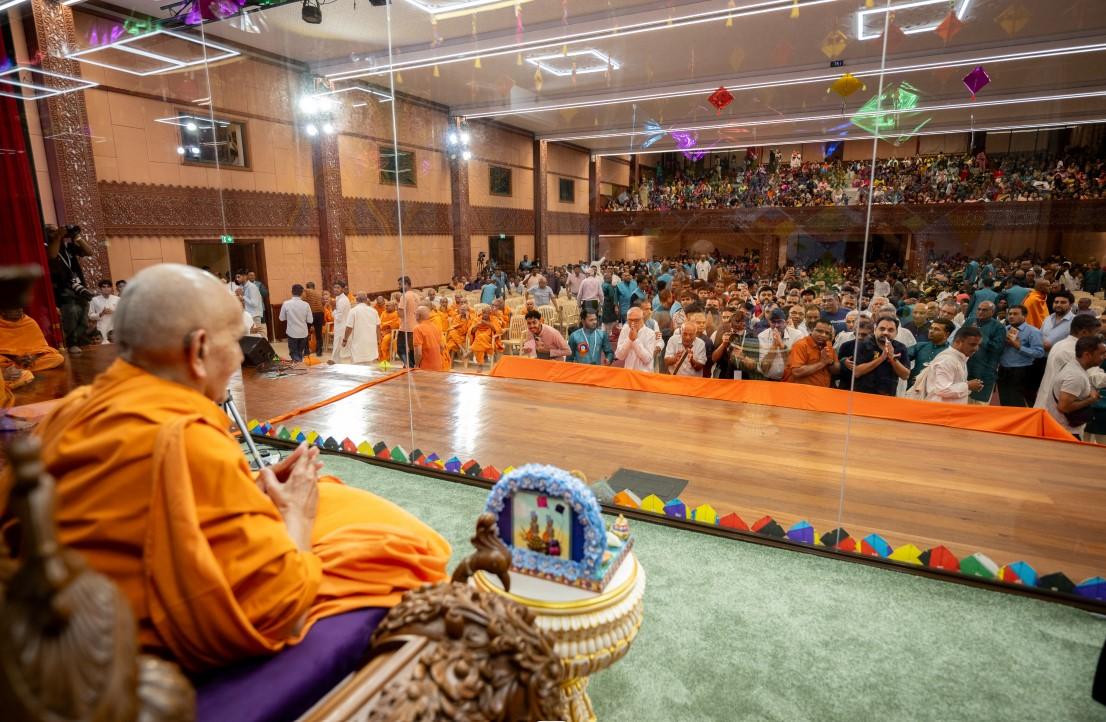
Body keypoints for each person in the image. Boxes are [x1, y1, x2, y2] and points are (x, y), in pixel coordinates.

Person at [21, 263, 449, 672]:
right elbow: (282, 608)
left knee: (334, 493)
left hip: (47, 622)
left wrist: (244, 486)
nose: (244, 356)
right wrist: (295, 513)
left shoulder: (70, 412)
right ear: (199, 351)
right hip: (113, 648)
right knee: (405, 547)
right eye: (237, 341)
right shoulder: (184, 433)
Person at [1034, 313, 1103, 408]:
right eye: (1096, 333)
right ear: (1084, 332)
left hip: (1047, 402)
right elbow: (1095, 378)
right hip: (1057, 409)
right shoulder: (1074, 350)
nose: (1097, 337)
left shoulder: (1060, 344)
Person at [1043, 335, 1105, 439]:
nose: (1104, 357)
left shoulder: (1075, 367)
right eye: (1101, 354)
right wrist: (1091, 399)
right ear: (1087, 355)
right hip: (1065, 433)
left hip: (1062, 429)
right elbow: (1063, 407)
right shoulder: (1075, 376)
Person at [46, 224, 94, 354]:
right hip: (62, 288)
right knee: (71, 313)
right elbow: (52, 255)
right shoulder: (46, 245)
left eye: (57, 230)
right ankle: (71, 343)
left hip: (78, 286)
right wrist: (58, 236)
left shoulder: (68, 246)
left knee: (83, 315)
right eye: (51, 231)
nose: (56, 232)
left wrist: (76, 236)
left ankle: (78, 341)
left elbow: (89, 252)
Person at [0, 307, 66, 392]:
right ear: (3, 311)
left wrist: (33, 357)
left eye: (20, 307)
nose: (19, 310)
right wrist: (15, 358)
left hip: (28, 359)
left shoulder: (29, 321)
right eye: (15, 308)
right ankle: (10, 371)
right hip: (6, 361)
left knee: (57, 358)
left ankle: (17, 371)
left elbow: (41, 346)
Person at [997, 304, 1046, 407]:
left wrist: (1019, 347)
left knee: (1018, 402)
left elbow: (1039, 353)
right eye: (1009, 314)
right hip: (1003, 370)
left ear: (1024, 316)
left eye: (1015, 314)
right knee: (1005, 401)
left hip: (1022, 371)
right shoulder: (1004, 330)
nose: (1011, 316)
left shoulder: (1033, 331)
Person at [847, 316, 910, 396]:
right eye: (882, 329)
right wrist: (882, 358)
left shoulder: (900, 347)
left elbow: (905, 375)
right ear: (875, 330)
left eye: (890, 330)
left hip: (887, 397)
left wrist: (892, 358)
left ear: (896, 333)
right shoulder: (863, 344)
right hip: (862, 395)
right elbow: (856, 372)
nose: (885, 332)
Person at [921, 326, 983, 404]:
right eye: (972, 344)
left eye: (978, 345)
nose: (976, 349)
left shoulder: (960, 357)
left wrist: (969, 386)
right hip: (941, 411)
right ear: (958, 342)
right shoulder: (947, 360)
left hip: (949, 411)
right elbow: (942, 390)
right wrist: (968, 386)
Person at [965, 301, 1005, 403]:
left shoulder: (998, 327)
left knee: (979, 405)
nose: (980, 312)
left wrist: (981, 336)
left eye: (984, 310)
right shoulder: (969, 321)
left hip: (985, 370)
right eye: (978, 309)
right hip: (965, 367)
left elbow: (997, 348)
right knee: (962, 402)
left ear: (992, 312)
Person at [784, 318, 839, 387]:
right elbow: (797, 372)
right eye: (819, 331)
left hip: (823, 392)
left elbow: (836, 371)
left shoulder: (829, 347)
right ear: (812, 330)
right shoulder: (801, 345)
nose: (823, 335)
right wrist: (822, 363)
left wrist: (831, 362)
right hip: (801, 392)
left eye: (827, 333)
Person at [711, 309, 759, 380]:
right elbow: (713, 359)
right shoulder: (725, 334)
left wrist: (743, 357)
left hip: (745, 377)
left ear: (744, 325)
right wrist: (723, 344)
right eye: (733, 329)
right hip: (725, 376)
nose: (735, 332)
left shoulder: (752, 337)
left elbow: (755, 365)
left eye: (738, 330)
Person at [757, 308, 803, 381]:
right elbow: (764, 368)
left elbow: (794, 364)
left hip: (790, 379)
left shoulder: (797, 335)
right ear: (769, 322)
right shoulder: (762, 336)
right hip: (769, 380)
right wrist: (774, 346)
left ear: (786, 322)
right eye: (773, 322)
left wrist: (781, 345)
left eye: (779, 322)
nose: (776, 325)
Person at [908, 318, 953, 389]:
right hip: (913, 389)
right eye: (931, 328)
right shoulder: (920, 346)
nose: (931, 331)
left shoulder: (950, 353)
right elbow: (902, 357)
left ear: (946, 334)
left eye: (936, 329)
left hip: (935, 392)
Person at [341, 293, 381, 364]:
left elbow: (349, 327)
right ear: (366, 300)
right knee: (369, 365)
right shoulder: (374, 311)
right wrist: (378, 340)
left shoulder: (353, 311)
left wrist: (345, 340)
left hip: (359, 344)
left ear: (356, 300)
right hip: (371, 343)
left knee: (357, 368)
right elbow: (378, 327)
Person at [615, 307, 657, 373]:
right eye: (630, 320)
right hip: (628, 374)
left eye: (636, 320)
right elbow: (619, 355)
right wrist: (629, 339)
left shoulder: (650, 333)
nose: (633, 323)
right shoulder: (625, 329)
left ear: (642, 319)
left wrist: (635, 340)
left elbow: (647, 359)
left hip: (644, 375)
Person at [279, 284, 312, 363]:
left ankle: (298, 366)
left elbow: (281, 318)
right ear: (302, 293)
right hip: (303, 333)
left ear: (292, 292)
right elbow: (310, 320)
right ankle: (299, 365)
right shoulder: (306, 305)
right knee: (300, 353)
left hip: (292, 332)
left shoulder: (286, 303)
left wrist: (290, 317)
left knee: (293, 353)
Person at [87, 279, 119, 344]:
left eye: (108, 286)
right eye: (104, 287)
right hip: (101, 327)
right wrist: (101, 313)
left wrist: (113, 312)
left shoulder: (117, 299)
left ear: (111, 288)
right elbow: (90, 316)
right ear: (100, 289)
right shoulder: (94, 300)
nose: (106, 288)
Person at [397, 276, 420, 368]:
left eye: (400, 284)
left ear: (406, 284)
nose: (398, 287)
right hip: (416, 326)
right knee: (411, 350)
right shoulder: (417, 295)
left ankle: (409, 366)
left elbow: (401, 314)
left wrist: (397, 308)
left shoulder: (405, 296)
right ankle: (411, 366)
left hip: (406, 327)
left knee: (400, 349)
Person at [412, 306, 444, 371]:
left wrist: (416, 365)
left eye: (415, 314)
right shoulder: (436, 327)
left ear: (418, 316)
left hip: (426, 367)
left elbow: (418, 352)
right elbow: (442, 347)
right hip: (439, 365)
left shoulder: (418, 329)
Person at [328, 281, 352, 364]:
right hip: (340, 326)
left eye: (338, 288)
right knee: (338, 347)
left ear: (343, 289)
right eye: (334, 287)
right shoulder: (339, 299)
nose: (336, 289)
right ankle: (335, 363)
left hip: (342, 327)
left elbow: (338, 318)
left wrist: (333, 308)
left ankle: (335, 363)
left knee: (339, 347)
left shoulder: (342, 300)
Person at [302, 282, 325, 356]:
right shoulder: (318, 293)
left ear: (307, 287)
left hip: (311, 313)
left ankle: (306, 351)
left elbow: (304, 301)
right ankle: (319, 351)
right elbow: (323, 303)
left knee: (305, 333)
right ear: (314, 287)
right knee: (319, 333)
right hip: (320, 313)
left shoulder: (306, 291)